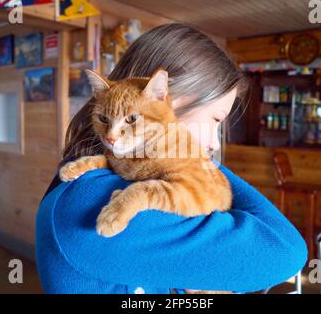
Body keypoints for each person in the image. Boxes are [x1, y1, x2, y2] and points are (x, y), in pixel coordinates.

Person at [36, 23, 307, 294]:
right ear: (164, 100)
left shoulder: (117, 172)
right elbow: (286, 251)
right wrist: (197, 159)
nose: (213, 144)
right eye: (214, 120)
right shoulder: (90, 200)